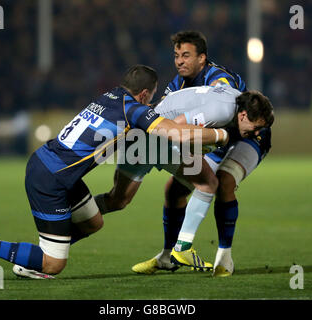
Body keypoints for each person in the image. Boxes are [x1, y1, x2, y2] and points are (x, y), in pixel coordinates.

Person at [0, 65, 229, 279]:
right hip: (50, 178)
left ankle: (35, 257)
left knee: (93, 221)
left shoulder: (109, 96)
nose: (150, 104)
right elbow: (175, 134)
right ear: (144, 94)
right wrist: (219, 135)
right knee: (54, 265)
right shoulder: (134, 110)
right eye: (150, 98)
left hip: (56, 168)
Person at [97, 30, 273, 277]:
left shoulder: (219, 79)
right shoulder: (177, 84)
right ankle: (169, 255)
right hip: (212, 139)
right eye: (177, 55)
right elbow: (165, 119)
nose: (180, 61)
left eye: (186, 56)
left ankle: (224, 257)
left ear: (202, 58)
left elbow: (228, 112)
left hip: (247, 135)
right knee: (175, 188)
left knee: (222, 183)